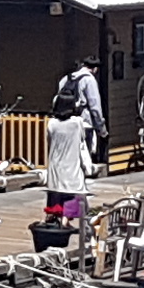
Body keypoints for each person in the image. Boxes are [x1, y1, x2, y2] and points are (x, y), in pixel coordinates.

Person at [43, 90, 94, 224]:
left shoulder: (51, 123)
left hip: (56, 164)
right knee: (73, 195)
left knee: (56, 194)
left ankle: (56, 220)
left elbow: (50, 142)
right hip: (72, 163)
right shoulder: (76, 123)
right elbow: (82, 140)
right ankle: (65, 221)